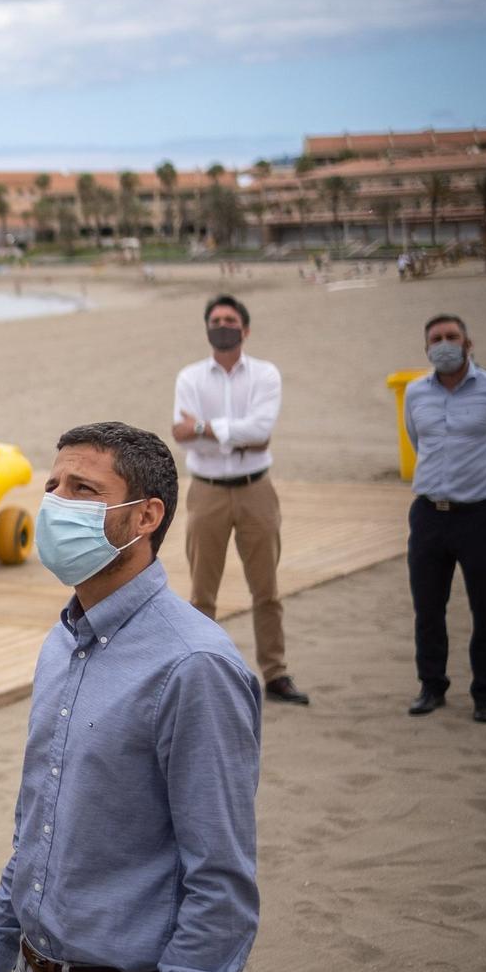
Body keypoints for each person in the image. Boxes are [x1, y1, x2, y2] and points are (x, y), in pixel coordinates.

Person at [0, 422, 261, 972]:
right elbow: (40, 824)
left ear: (145, 515)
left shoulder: (194, 665)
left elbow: (221, 884)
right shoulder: (63, 639)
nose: (57, 503)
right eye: (54, 486)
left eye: (84, 490)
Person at [170, 296, 308, 705]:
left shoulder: (265, 375)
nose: (222, 325)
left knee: (266, 589)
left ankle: (276, 672)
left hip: (256, 491)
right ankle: (199, 675)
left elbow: (262, 431)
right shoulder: (190, 377)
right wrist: (235, 434)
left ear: (245, 329)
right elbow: (180, 433)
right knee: (201, 594)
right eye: (215, 320)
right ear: (206, 327)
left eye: (230, 320)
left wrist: (206, 429)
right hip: (206, 491)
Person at [403, 315, 486, 724]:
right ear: (426, 349)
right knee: (428, 606)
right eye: (435, 339)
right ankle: (431, 686)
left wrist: (481, 485)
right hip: (428, 515)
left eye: (451, 337)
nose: (444, 344)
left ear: (468, 342)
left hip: (476, 515)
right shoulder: (415, 393)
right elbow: (417, 441)